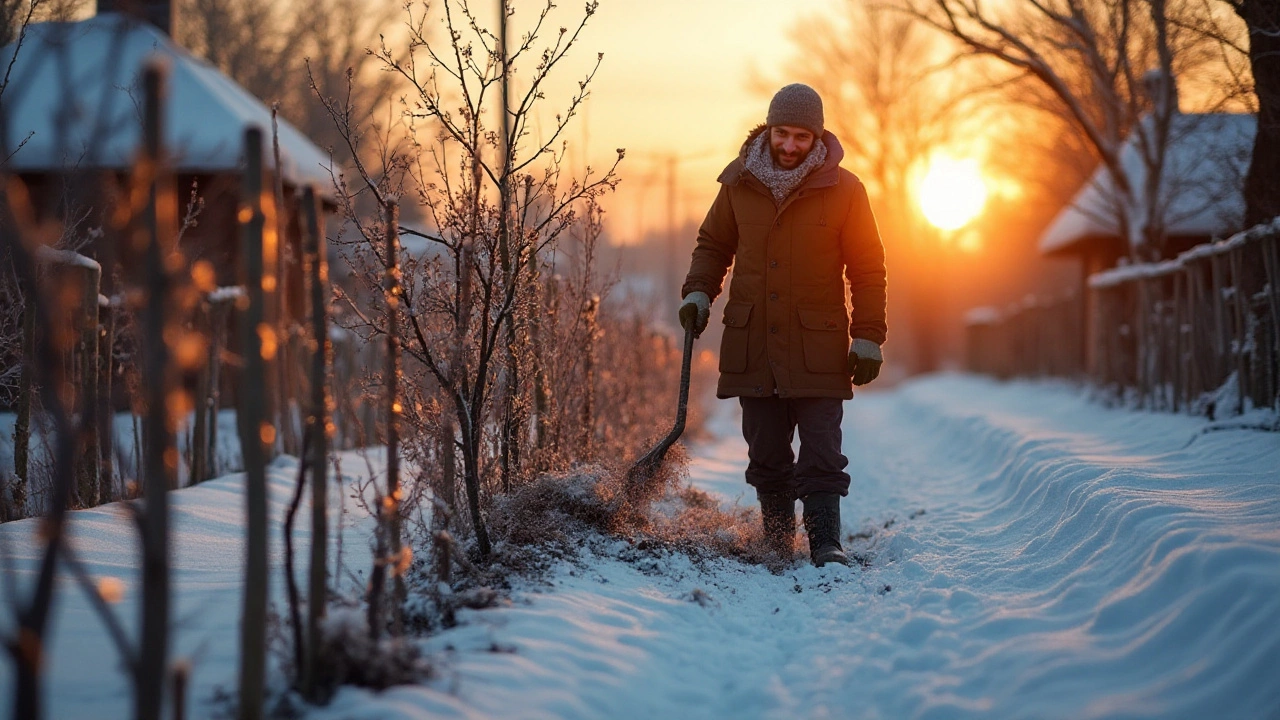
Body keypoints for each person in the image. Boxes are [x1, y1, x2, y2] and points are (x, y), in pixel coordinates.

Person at [679, 83, 888, 568]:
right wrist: (697, 292)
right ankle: (776, 540)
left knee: (822, 450)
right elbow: (712, 246)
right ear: (768, 129)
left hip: (819, 344)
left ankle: (824, 543)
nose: (789, 145)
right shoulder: (737, 184)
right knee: (766, 451)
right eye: (782, 133)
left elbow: (868, 267)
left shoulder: (845, 191)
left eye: (801, 136)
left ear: (817, 138)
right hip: (754, 342)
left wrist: (868, 336)